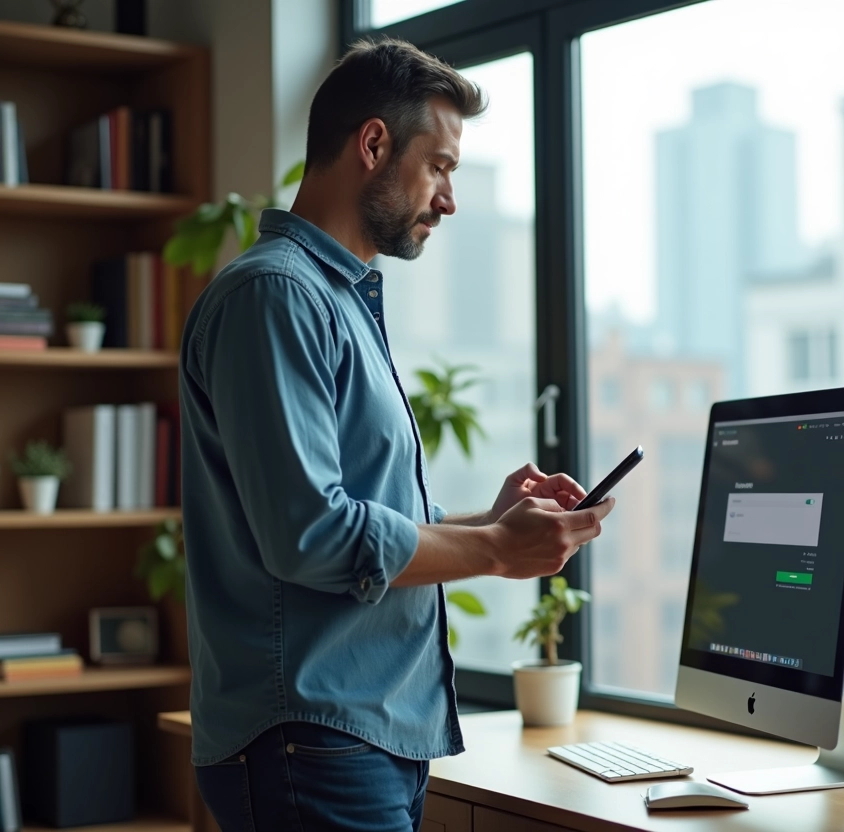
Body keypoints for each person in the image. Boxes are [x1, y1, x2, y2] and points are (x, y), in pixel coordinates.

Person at [177, 36, 616, 832]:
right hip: (311, 740)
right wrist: (493, 552)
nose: (448, 198)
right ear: (373, 144)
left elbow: (349, 509)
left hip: (355, 738)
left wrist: (488, 522)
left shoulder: (333, 300)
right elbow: (310, 534)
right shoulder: (277, 297)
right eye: (441, 166)